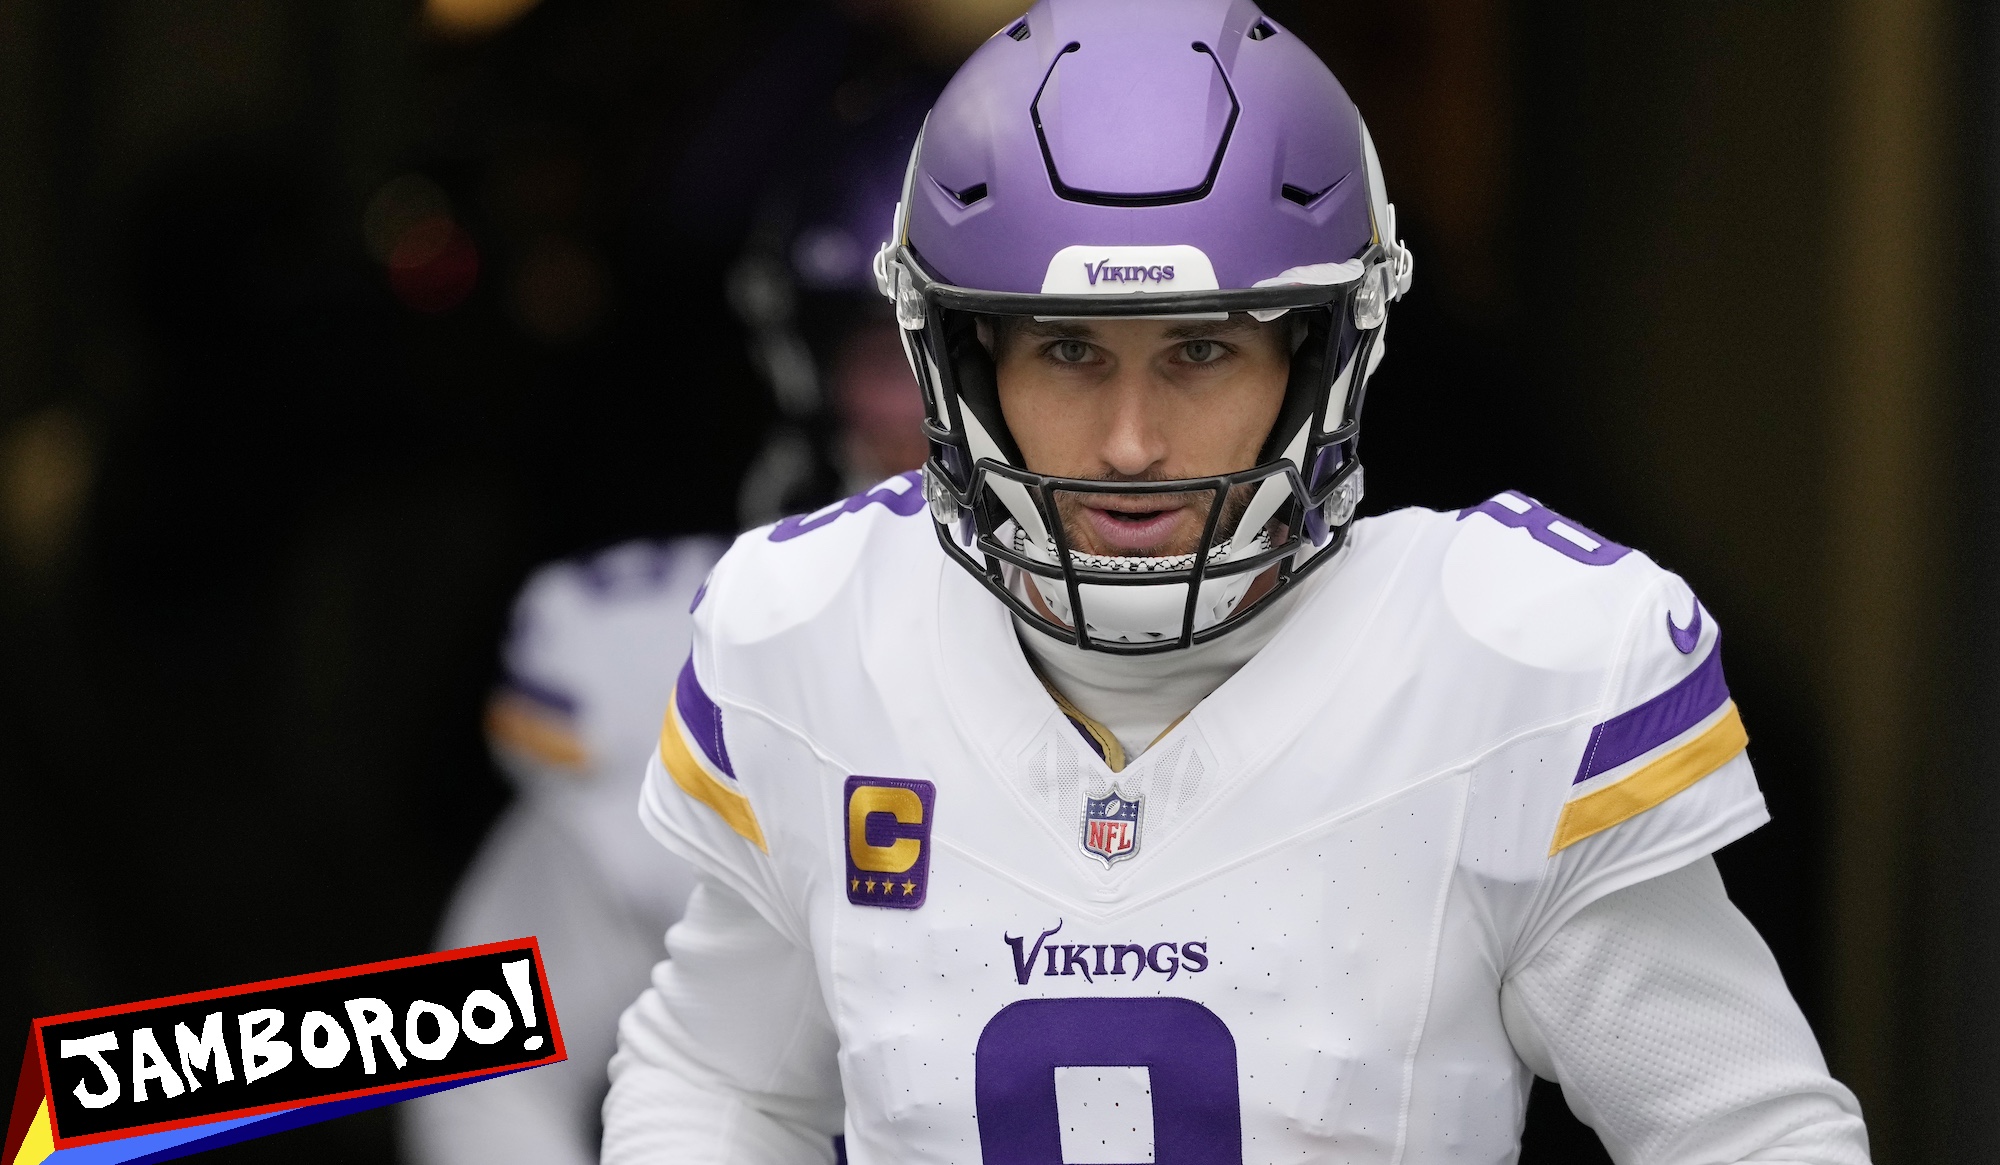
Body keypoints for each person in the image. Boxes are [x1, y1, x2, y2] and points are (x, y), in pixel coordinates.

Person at [602, 2, 1872, 1163]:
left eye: (1201, 349)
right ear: (968, 353)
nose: (1130, 442)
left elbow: (1743, 1133)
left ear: (1320, 353)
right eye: (1067, 349)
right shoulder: (817, 632)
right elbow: (717, 1080)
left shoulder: (1511, 666)